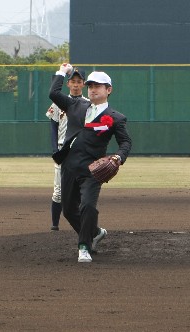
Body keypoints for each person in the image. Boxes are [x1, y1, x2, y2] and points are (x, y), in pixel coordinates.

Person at [49, 64, 132, 263]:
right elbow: (53, 92)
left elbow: (126, 142)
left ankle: (84, 247)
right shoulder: (74, 105)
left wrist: (118, 157)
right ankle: (95, 232)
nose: (93, 89)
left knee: (87, 206)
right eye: (91, 85)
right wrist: (62, 72)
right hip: (69, 166)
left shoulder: (115, 118)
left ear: (108, 90)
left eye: (98, 86)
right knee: (68, 210)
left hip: (93, 170)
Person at [45, 68, 87, 231]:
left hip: (80, 151)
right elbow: (53, 126)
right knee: (58, 192)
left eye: (79, 81)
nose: (76, 85)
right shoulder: (58, 102)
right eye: (73, 81)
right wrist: (55, 149)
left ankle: (82, 225)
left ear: (83, 84)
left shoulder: (87, 104)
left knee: (82, 192)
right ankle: (55, 226)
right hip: (63, 150)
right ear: (68, 83)